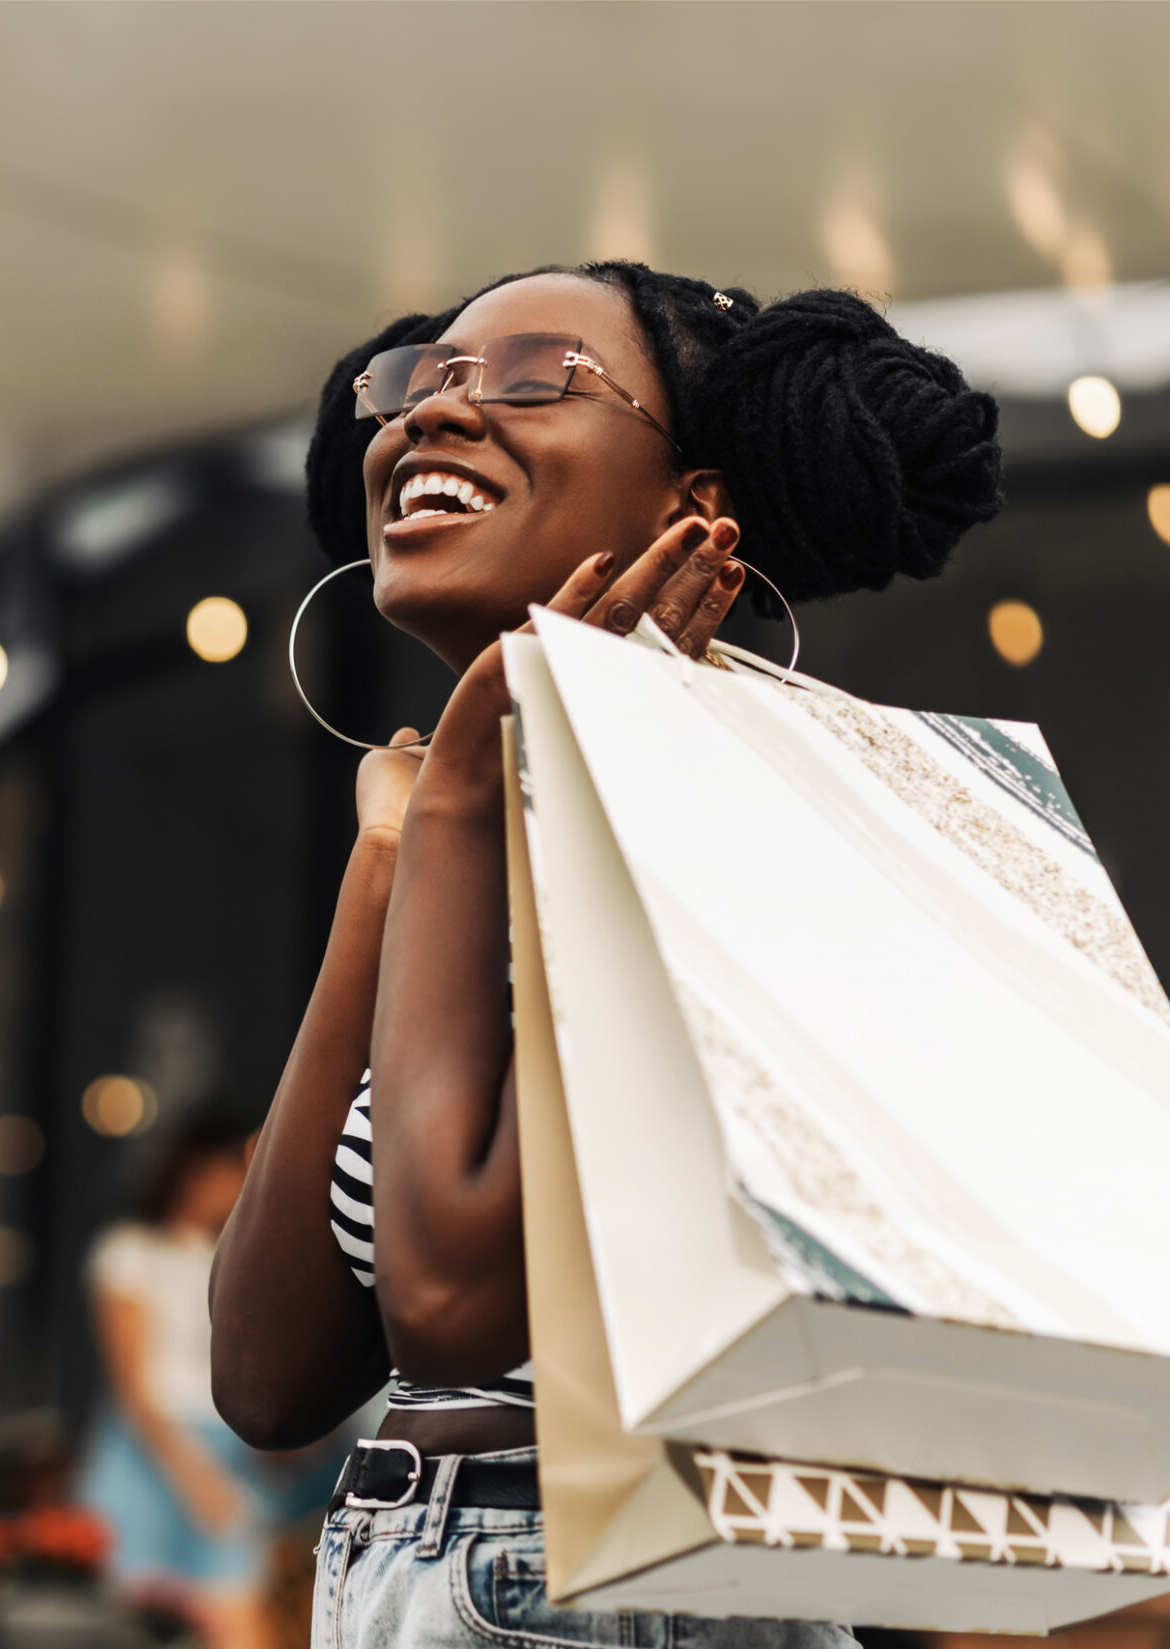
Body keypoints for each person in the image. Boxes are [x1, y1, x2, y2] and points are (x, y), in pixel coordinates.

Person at [206, 264, 1002, 1647]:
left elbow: (454, 1302)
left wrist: (459, 790)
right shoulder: (468, 833)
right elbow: (270, 1375)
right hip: (420, 1556)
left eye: (530, 377)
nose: (431, 418)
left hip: (615, 1583)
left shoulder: (728, 820)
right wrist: (390, 864)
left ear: (696, 508)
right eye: (420, 382)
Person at [82, 1115, 273, 1649]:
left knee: (236, 1615)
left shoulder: (232, 1255)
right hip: (151, 1453)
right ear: (194, 1171)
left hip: (223, 1449)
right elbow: (133, 1389)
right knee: (136, 1623)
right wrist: (198, 1480)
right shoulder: (131, 1249)